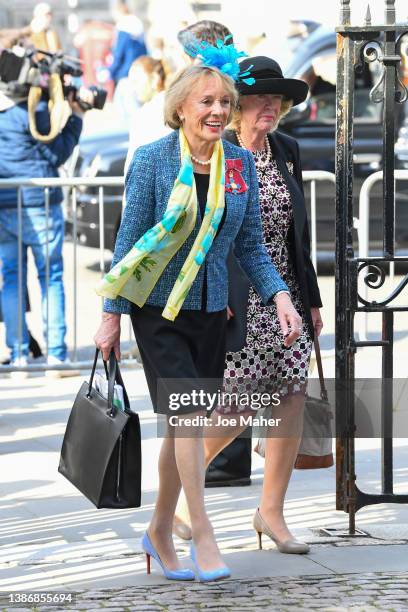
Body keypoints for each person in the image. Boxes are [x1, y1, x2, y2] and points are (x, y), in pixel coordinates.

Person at [94, 53, 302, 581]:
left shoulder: (239, 165)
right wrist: (111, 315)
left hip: (212, 310)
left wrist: (280, 297)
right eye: (206, 101)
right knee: (186, 418)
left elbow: (252, 246)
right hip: (157, 310)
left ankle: (159, 529)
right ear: (181, 109)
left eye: (224, 102)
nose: (217, 110)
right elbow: (130, 241)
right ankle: (201, 532)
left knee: (183, 428)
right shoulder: (153, 159)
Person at [174, 56, 323, 555]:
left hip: (287, 297)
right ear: (237, 106)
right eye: (261, 98)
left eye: (277, 99)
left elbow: (296, 234)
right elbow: (201, 229)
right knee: (238, 401)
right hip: (237, 298)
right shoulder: (219, 150)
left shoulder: (287, 150)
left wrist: (312, 299)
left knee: (290, 402)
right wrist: (215, 292)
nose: (271, 107)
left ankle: (271, 514)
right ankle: (177, 499)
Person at [0, 88, 91, 375]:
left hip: (5, 203)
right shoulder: (31, 110)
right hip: (40, 203)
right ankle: (55, 356)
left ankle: (18, 356)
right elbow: (57, 152)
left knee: (11, 279)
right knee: (50, 277)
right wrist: (76, 117)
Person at [109, 1, 148, 122]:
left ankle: (140, 132)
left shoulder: (123, 27)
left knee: (128, 105)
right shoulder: (137, 24)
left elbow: (119, 53)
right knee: (130, 103)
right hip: (138, 67)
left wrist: (111, 71)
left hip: (126, 71)